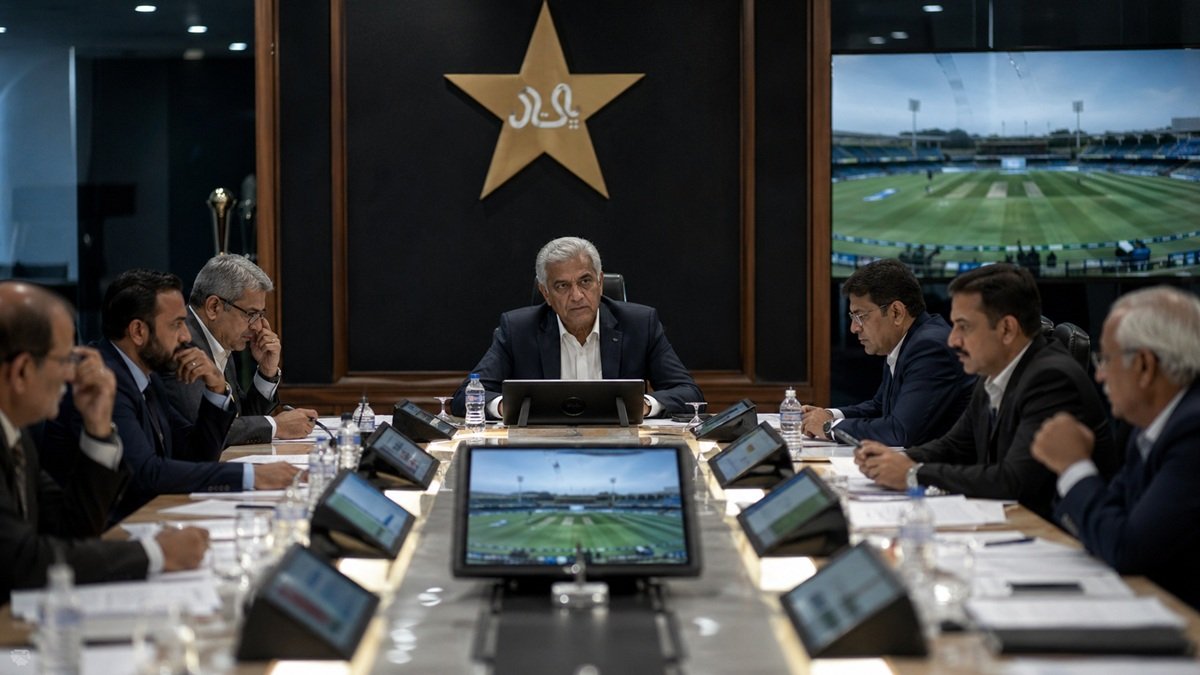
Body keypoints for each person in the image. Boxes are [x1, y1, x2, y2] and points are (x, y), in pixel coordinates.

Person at [854, 263, 1118, 519]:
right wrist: (894, 460)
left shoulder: (1050, 379)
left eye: (964, 326)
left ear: (1006, 329)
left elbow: (1012, 481)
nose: (953, 340)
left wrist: (913, 474)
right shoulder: (993, 371)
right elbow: (956, 445)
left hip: (1053, 534)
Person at [0, 281, 207, 601]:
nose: (73, 375)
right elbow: (23, 562)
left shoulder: (17, 436)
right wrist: (155, 553)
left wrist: (98, 431)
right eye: (65, 360)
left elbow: (71, 530)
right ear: (22, 371)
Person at [44, 269, 301, 522]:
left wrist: (217, 390)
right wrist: (250, 476)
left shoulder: (146, 376)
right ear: (138, 331)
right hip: (102, 531)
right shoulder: (102, 382)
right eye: (177, 324)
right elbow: (146, 473)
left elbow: (195, 453)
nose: (186, 335)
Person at [1031, 286, 1200, 610]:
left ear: (1145, 366)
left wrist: (1074, 466)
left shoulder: (1192, 431)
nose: (1100, 374)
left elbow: (1127, 548)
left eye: (1106, 359)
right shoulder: (1145, 426)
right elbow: (1110, 518)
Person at [451, 236, 702, 418]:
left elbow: (689, 393)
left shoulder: (639, 324)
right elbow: (465, 397)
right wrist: (507, 406)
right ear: (546, 293)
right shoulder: (518, 330)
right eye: (562, 286)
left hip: (621, 450)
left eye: (585, 281)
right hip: (542, 452)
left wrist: (643, 405)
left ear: (600, 283)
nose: (577, 296)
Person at [801, 259, 975, 446]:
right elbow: (880, 407)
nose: (854, 328)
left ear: (896, 312)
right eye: (852, 317)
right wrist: (830, 415)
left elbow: (899, 431)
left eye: (860, 316)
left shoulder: (930, 348)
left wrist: (829, 427)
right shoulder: (906, 341)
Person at [160, 254, 317, 446]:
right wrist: (276, 426)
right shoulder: (181, 346)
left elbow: (241, 417)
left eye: (260, 315)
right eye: (251, 314)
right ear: (214, 307)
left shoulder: (221, 340)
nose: (258, 327)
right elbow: (206, 430)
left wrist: (266, 371)